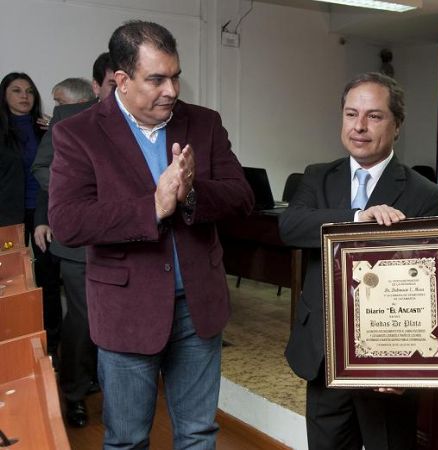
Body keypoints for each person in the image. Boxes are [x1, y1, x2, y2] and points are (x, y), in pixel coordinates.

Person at [48, 21, 254, 448]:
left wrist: (193, 191)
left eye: (175, 75)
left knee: (198, 433)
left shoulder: (204, 124)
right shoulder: (77, 134)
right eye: (157, 79)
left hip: (197, 308)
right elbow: (69, 221)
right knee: (127, 440)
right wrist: (153, 207)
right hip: (127, 311)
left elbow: (242, 197)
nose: (172, 90)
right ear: (122, 80)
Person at [280, 72, 438, 450]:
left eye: (374, 116)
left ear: (397, 124)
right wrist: (356, 219)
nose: (359, 126)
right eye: (351, 114)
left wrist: (408, 368)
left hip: (386, 365)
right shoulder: (317, 177)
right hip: (324, 355)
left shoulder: (424, 194)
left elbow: (429, 285)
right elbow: (290, 227)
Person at [31, 52, 116, 429]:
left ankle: (113, 389)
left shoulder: (153, 121)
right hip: (81, 243)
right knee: (82, 320)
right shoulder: (68, 118)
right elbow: (42, 167)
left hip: (131, 242)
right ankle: (74, 393)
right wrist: (81, 195)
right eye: (114, 85)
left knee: (119, 320)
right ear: (97, 87)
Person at [0, 72, 62, 358]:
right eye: (16, 91)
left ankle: (53, 348)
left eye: (29, 91)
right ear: (5, 96)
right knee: (13, 285)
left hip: (43, 215)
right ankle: (17, 352)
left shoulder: (46, 129)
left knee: (47, 279)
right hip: (7, 219)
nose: (24, 96)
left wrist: (58, 130)